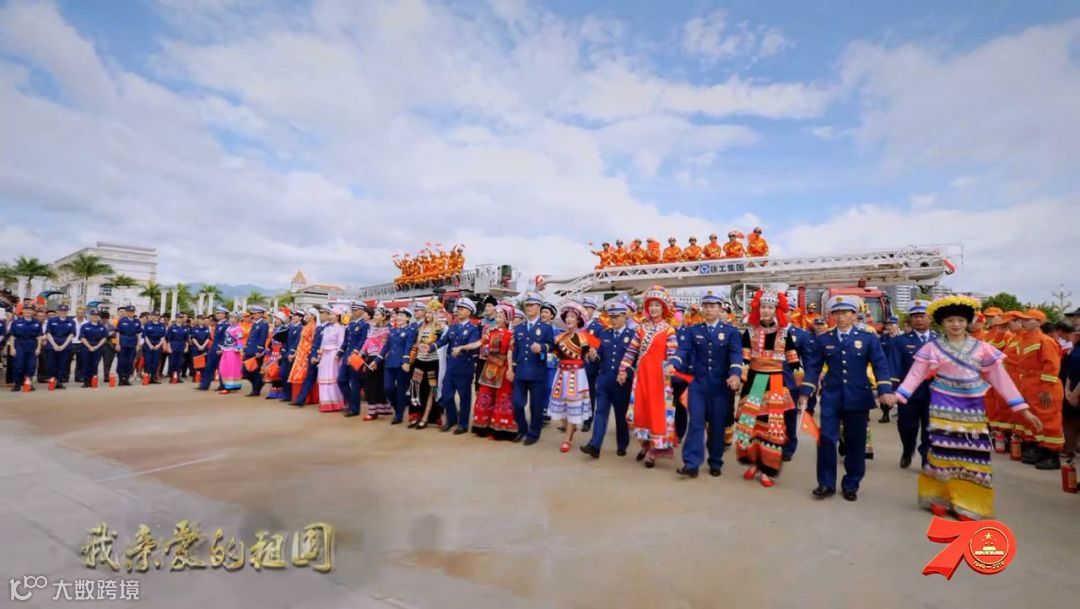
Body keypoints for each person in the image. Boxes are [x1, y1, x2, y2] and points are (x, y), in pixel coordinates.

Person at [896, 296, 1042, 520]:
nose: (956, 325)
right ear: (942, 323)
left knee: (972, 453)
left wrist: (1022, 408)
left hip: (972, 407)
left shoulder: (982, 348)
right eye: (950, 320)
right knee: (943, 451)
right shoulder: (932, 348)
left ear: (968, 322)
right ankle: (939, 496)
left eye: (961, 320)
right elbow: (916, 374)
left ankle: (968, 502)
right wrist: (899, 395)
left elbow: (1001, 379)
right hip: (942, 405)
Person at [802, 295, 896, 502]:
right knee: (827, 439)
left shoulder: (868, 338)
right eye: (836, 312)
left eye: (845, 312)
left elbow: (880, 365)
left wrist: (885, 389)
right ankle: (826, 483)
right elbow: (813, 366)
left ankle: (851, 483)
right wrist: (806, 390)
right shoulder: (824, 338)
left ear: (854, 315)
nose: (840, 316)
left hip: (858, 396)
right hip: (831, 396)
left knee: (855, 442)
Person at [731, 289, 800, 486]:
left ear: (776, 310)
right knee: (749, 425)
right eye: (763, 307)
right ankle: (754, 462)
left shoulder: (784, 333)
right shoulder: (750, 331)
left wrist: (803, 384)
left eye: (770, 307)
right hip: (754, 381)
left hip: (775, 382)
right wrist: (739, 377)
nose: (766, 311)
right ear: (758, 309)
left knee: (772, 427)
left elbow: (793, 359)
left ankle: (766, 468)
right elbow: (744, 358)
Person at [671, 292, 742, 477]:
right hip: (698, 385)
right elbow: (683, 350)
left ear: (720, 308)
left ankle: (715, 460)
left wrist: (735, 375)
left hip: (720, 386)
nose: (709, 309)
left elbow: (736, 355)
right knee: (696, 422)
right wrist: (673, 363)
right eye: (706, 306)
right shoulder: (693, 331)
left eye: (713, 306)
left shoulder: (731, 332)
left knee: (717, 425)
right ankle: (691, 464)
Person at [618, 285, 681, 469]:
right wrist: (623, 369)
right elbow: (631, 351)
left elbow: (672, 355)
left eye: (657, 305)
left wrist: (670, 371)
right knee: (640, 411)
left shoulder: (669, 330)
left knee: (656, 413)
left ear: (663, 308)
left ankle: (654, 450)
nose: (653, 309)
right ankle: (644, 444)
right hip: (642, 376)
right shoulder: (641, 329)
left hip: (659, 378)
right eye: (651, 305)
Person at [581, 302, 634, 459]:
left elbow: (635, 361)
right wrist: (593, 357)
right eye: (611, 317)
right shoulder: (604, 334)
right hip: (604, 380)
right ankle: (595, 445)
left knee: (620, 415)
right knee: (600, 412)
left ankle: (622, 444)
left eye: (616, 317)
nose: (613, 320)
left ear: (624, 316)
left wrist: (627, 374)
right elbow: (598, 357)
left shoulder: (632, 335)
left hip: (622, 383)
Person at [1013, 308, 1066, 469]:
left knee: (1048, 419)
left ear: (1038, 322)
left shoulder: (1045, 340)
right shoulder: (1025, 340)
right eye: (1023, 319)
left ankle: (1052, 454)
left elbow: (1051, 365)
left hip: (1044, 385)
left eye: (1027, 319)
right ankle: (1038, 448)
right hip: (1029, 384)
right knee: (1033, 418)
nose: (1023, 322)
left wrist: (1046, 389)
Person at [888, 300, 937, 469]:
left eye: (922, 316)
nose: (919, 319)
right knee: (907, 426)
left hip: (933, 393)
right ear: (910, 319)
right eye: (915, 316)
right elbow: (894, 366)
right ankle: (908, 450)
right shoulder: (900, 341)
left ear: (930, 318)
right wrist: (892, 390)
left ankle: (926, 457)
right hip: (908, 393)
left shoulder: (940, 340)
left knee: (930, 427)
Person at [547, 302, 594, 452]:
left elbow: (592, 355)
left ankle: (567, 439)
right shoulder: (559, 337)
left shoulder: (585, 337)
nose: (569, 319)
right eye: (567, 316)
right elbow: (553, 353)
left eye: (573, 316)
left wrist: (593, 355)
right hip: (561, 374)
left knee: (573, 404)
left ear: (578, 320)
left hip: (577, 375)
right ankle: (569, 428)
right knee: (559, 404)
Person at [511, 292, 556, 445]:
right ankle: (522, 429)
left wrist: (542, 347)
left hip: (537, 372)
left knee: (536, 406)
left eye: (532, 305)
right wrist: (512, 369)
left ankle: (534, 433)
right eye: (527, 305)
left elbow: (552, 346)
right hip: (521, 372)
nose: (529, 308)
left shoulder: (545, 328)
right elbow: (516, 350)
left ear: (538, 307)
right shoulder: (519, 327)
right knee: (517, 403)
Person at [472, 303, 518, 440]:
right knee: (485, 395)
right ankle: (483, 426)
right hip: (489, 367)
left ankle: (500, 429)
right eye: (496, 316)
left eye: (500, 316)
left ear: (507, 319)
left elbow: (510, 353)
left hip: (503, 368)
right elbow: (479, 343)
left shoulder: (511, 334)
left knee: (502, 398)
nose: (497, 319)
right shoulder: (490, 331)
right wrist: (462, 347)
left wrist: (510, 370)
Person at [436, 299, 481, 433]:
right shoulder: (453, 327)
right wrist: (430, 346)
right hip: (451, 368)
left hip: (464, 368)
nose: (458, 311)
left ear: (469, 312)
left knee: (464, 398)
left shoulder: (473, 329)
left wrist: (461, 348)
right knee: (447, 396)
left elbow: (474, 344)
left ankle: (463, 424)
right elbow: (442, 341)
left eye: (462, 309)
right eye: (458, 309)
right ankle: (452, 420)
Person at [409, 300, 444, 427]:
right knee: (416, 387)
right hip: (419, 361)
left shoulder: (439, 327)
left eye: (431, 313)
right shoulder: (421, 327)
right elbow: (417, 343)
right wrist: (418, 346)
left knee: (431, 389)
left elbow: (441, 342)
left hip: (432, 362)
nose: (428, 315)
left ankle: (426, 416)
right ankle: (417, 415)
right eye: (427, 313)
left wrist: (429, 346)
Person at [381, 308, 416, 425]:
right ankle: (397, 408)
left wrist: (406, 361)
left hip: (401, 363)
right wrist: (377, 359)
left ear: (408, 318)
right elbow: (386, 346)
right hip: (390, 362)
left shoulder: (410, 331)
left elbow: (408, 347)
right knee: (388, 388)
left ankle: (399, 415)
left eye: (402, 315)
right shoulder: (392, 330)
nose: (399, 317)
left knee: (401, 390)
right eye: (398, 315)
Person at [359, 307, 391, 419]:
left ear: (383, 317)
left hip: (378, 359)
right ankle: (378, 409)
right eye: (375, 314)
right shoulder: (373, 328)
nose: (375, 317)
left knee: (373, 384)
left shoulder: (386, 330)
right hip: (370, 357)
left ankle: (373, 411)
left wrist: (378, 360)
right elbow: (367, 342)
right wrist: (361, 353)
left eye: (377, 315)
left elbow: (383, 346)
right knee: (370, 384)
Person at [339, 303, 370, 415]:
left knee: (354, 383)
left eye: (355, 310)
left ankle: (355, 408)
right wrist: (339, 353)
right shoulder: (351, 324)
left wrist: (355, 352)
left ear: (362, 311)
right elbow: (346, 341)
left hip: (356, 356)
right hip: (346, 356)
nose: (353, 312)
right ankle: (350, 403)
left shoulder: (365, 325)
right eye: (352, 310)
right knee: (341, 380)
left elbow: (364, 340)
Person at [316, 308, 345, 412]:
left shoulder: (341, 329)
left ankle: (335, 402)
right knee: (323, 377)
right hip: (325, 355)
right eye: (329, 314)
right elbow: (322, 343)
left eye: (332, 315)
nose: (330, 316)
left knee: (333, 377)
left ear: (338, 317)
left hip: (333, 355)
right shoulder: (327, 329)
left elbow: (340, 343)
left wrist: (339, 356)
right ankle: (325, 403)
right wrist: (319, 355)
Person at [8, 306, 43, 390]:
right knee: (18, 365)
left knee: (31, 366)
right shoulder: (16, 322)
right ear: (23, 311)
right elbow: (12, 336)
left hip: (32, 344)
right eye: (26, 309)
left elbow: (39, 336)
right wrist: (12, 348)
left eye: (30, 310)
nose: (28, 311)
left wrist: (38, 348)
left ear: (33, 312)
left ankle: (28, 383)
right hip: (19, 344)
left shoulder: (37, 322)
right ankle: (17, 383)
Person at [45, 304, 77, 388]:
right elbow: (48, 333)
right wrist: (54, 345)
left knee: (62, 364)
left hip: (65, 346)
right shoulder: (51, 320)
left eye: (64, 311)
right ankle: (52, 380)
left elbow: (71, 334)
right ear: (57, 311)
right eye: (61, 310)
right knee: (52, 364)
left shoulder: (71, 321)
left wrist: (63, 346)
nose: (63, 312)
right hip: (52, 346)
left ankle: (59, 381)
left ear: (67, 312)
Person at [243, 306, 270, 396]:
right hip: (249, 350)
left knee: (254, 371)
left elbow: (262, 338)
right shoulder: (255, 324)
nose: (254, 315)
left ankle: (255, 390)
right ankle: (259, 384)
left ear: (261, 314)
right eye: (253, 313)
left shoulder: (264, 324)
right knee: (245, 371)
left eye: (256, 313)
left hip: (256, 351)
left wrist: (259, 350)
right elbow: (250, 337)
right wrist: (246, 347)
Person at [78, 309, 109, 387]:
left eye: (97, 315)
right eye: (93, 315)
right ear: (90, 316)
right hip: (86, 347)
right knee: (86, 364)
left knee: (95, 364)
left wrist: (96, 347)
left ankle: (93, 381)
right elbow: (82, 337)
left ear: (99, 317)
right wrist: (89, 346)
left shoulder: (102, 327)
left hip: (97, 348)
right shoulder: (85, 326)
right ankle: (86, 381)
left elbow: (104, 338)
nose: (95, 316)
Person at [279, 311, 303, 403]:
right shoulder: (290, 327)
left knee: (289, 374)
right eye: (293, 316)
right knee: (283, 374)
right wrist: (283, 351)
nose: (293, 317)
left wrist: (292, 352)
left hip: (292, 354)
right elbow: (286, 340)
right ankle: (287, 394)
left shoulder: (300, 328)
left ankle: (290, 395)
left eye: (296, 316)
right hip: (286, 353)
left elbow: (297, 342)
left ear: (300, 318)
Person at [216, 314, 245, 394]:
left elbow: (239, 340)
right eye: (230, 317)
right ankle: (229, 385)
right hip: (226, 350)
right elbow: (226, 339)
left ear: (237, 319)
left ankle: (229, 387)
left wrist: (239, 349)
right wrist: (222, 348)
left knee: (231, 368)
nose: (231, 319)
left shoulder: (238, 328)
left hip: (233, 350)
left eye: (233, 317)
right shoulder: (229, 327)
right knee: (223, 367)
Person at [141, 311, 167, 384]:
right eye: (155, 315)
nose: (156, 317)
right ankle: (146, 378)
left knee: (155, 362)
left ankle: (153, 378)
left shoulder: (162, 326)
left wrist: (159, 345)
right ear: (152, 316)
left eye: (158, 315)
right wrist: (150, 345)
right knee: (148, 362)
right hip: (148, 345)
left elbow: (163, 337)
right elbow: (145, 336)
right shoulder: (147, 325)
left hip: (157, 345)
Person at [165, 313, 190, 382]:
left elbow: (186, 339)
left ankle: (177, 376)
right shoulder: (172, 327)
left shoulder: (185, 328)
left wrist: (186, 347)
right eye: (179, 318)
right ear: (176, 319)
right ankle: (171, 376)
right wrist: (169, 347)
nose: (180, 319)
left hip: (181, 346)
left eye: (181, 318)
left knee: (180, 362)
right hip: (173, 346)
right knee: (172, 362)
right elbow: (168, 339)